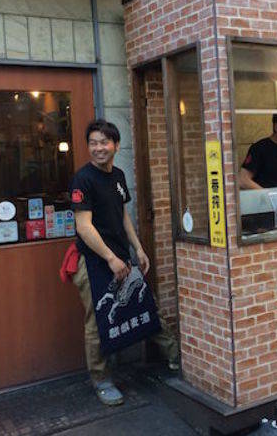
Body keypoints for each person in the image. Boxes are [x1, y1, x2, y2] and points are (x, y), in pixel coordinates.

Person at [70, 119, 178, 406]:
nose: (98, 148)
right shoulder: (83, 179)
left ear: (116, 145)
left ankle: (175, 358)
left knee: (145, 304)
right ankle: (102, 380)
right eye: (93, 142)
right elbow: (84, 226)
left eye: (104, 142)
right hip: (94, 262)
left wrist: (138, 248)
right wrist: (110, 258)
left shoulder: (117, 175)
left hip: (121, 257)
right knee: (98, 321)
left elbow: (123, 215)